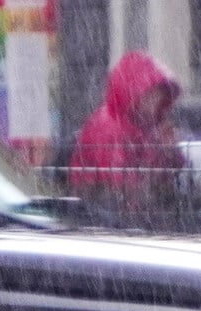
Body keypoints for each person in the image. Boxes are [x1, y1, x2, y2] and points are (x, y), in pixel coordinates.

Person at [69, 51, 185, 228]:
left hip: (120, 220)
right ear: (134, 93)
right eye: (150, 94)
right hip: (104, 219)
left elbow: (158, 178)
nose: (157, 100)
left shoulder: (145, 126)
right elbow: (124, 188)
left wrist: (169, 153)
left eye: (159, 94)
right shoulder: (109, 128)